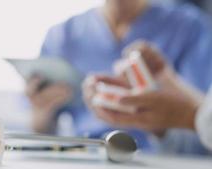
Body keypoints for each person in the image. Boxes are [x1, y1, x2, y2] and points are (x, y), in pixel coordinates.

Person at [26, 0, 212, 153]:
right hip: (85, 156)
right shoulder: (62, 35)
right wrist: (42, 110)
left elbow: (203, 126)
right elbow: (41, 127)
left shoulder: (190, 27)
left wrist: (160, 120)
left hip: (162, 161)